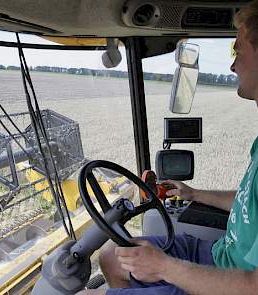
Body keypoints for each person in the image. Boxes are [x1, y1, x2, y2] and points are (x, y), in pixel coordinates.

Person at [78, 1, 258, 294]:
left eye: (239, 51)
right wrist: (194, 193)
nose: (232, 65)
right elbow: (248, 204)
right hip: (219, 256)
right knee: (112, 257)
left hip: (235, 282)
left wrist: (163, 267)